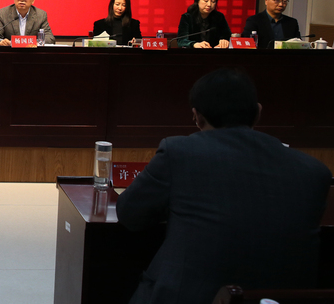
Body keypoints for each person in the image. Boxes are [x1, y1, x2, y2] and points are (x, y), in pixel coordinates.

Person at [116, 69, 331, 304]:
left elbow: (129, 214)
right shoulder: (315, 172)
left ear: (197, 117)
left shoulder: (179, 152)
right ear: (258, 112)